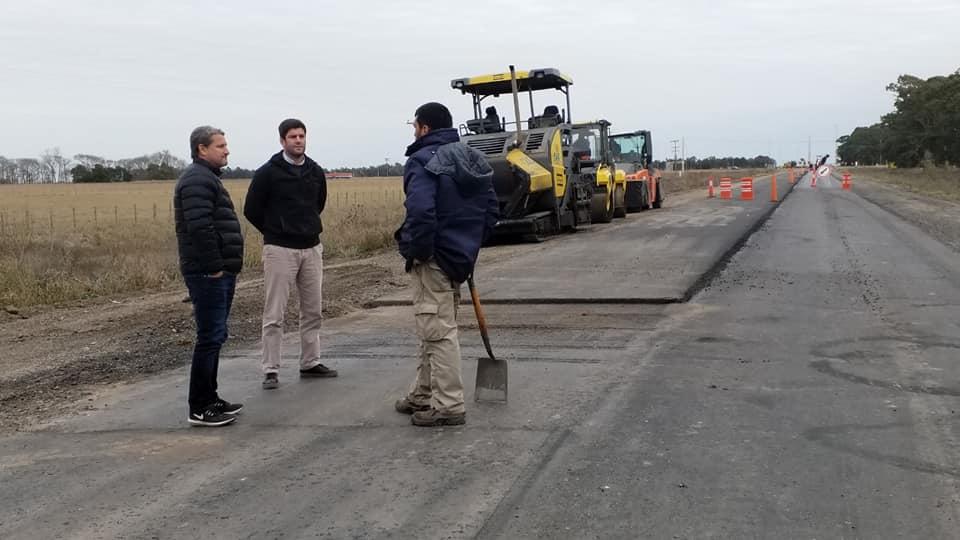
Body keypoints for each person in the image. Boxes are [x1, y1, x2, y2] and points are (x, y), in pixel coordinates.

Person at [394, 102, 499, 427]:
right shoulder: (473, 158)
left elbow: (422, 212)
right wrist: (468, 247)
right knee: (432, 326)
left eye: (415, 125)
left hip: (435, 259)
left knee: (438, 331)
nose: (414, 131)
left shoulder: (422, 161)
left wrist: (421, 251)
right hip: (458, 259)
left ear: (424, 128)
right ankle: (422, 394)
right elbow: (491, 211)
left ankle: (449, 405)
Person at [244, 118, 335, 390]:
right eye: (292, 136)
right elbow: (252, 209)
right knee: (275, 313)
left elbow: (318, 204)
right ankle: (270, 369)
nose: (298, 140)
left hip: (311, 248)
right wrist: (276, 230)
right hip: (279, 249)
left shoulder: (315, 171)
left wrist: (304, 228)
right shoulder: (267, 173)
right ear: (282, 141)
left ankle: (310, 362)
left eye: (302, 136)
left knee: (313, 310)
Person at [174, 126, 245, 427]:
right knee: (209, 336)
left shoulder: (207, 179)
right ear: (202, 149)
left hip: (219, 271)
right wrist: (215, 266)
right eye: (220, 146)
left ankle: (211, 398)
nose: (226, 150)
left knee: (216, 336)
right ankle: (200, 407)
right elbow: (199, 227)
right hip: (208, 273)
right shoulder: (196, 180)